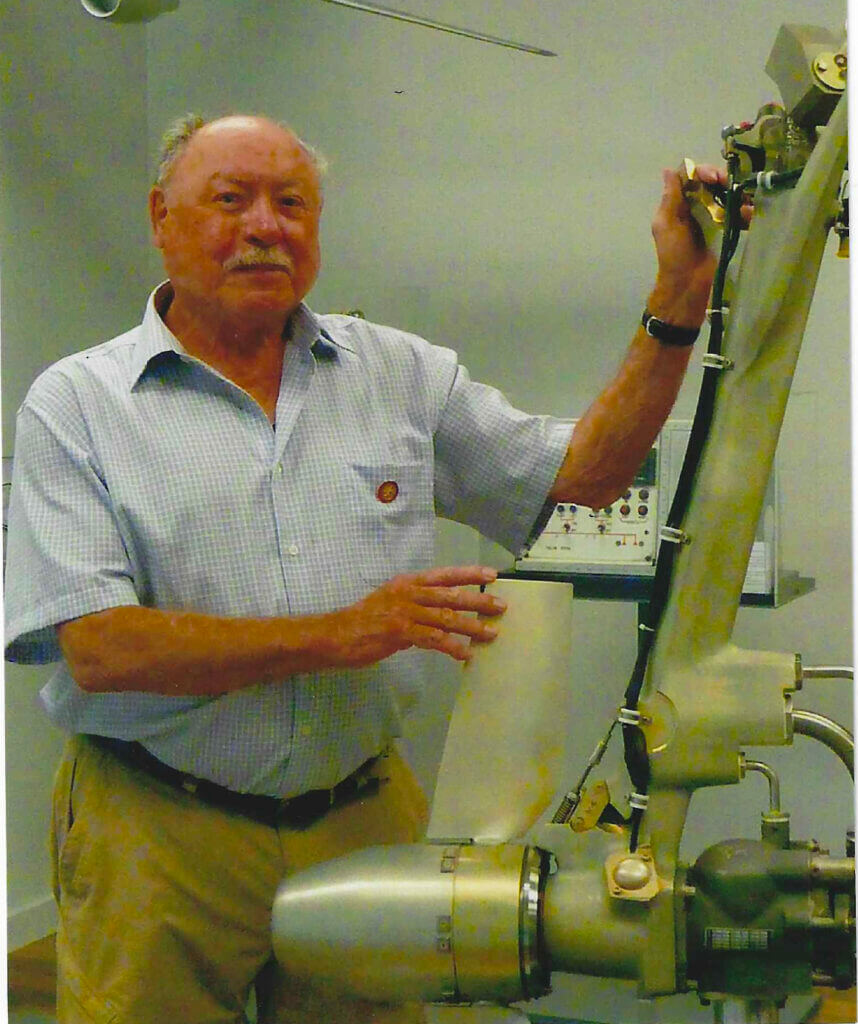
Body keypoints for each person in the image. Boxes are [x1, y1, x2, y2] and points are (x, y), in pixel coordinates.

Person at [5, 112, 725, 1024]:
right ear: (161, 217)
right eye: (230, 200)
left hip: (360, 819)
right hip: (157, 830)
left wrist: (678, 300)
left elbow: (585, 476)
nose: (266, 226)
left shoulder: (400, 374)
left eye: (291, 202)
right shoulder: (77, 404)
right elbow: (101, 648)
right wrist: (345, 633)